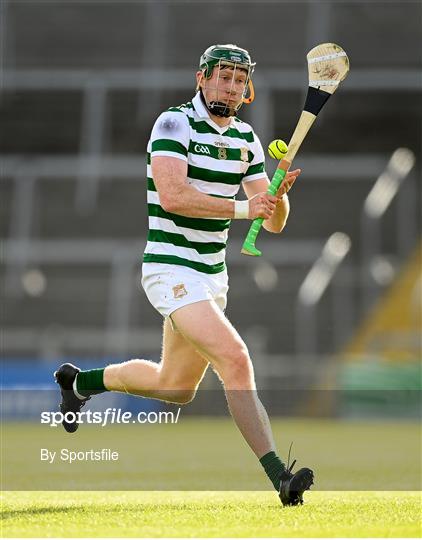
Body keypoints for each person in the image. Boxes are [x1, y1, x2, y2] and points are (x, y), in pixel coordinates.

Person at [55, 44, 314, 506]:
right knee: (235, 357)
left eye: (239, 80)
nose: (231, 87)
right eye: (223, 76)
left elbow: (273, 221)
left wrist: (277, 191)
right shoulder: (174, 123)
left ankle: (79, 383)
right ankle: (280, 475)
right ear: (202, 78)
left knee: (174, 387)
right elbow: (174, 195)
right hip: (171, 268)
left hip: (212, 277)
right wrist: (244, 206)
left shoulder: (246, 140)